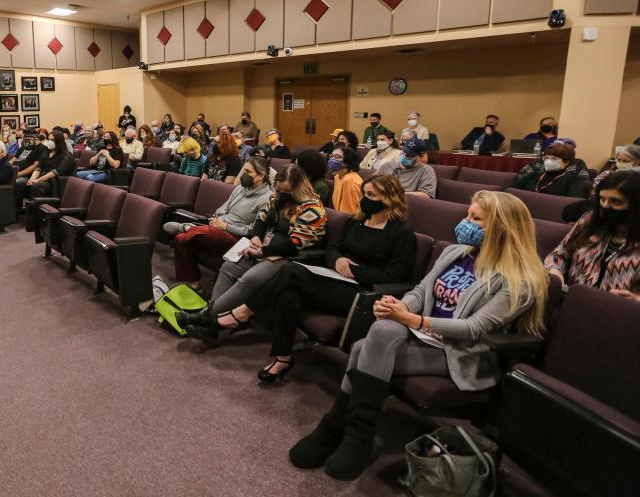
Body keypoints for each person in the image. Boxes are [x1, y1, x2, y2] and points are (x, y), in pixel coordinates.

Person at [288, 190, 548, 479]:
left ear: (501, 227)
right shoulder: (454, 253)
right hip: (420, 334)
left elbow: (474, 328)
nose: (466, 222)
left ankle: (338, 430)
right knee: (379, 333)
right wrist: (399, 306)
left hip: (459, 352)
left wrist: (412, 319)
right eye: (467, 214)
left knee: (364, 349)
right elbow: (422, 291)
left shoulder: (519, 279)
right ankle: (353, 436)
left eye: (476, 218)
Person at [180, 175, 415, 383]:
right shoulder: (357, 221)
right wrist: (338, 262)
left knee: (290, 271)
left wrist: (355, 271)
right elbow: (334, 249)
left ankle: (238, 315)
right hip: (335, 278)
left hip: (364, 294)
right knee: (288, 292)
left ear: (389, 198)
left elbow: (395, 276)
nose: (365, 198)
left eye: (371, 195)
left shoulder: (402, 234)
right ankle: (282, 358)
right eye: (364, 193)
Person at [188, 164, 326, 326]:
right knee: (229, 267)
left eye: (286, 192)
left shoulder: (313, 209)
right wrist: (255, 238)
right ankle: (212, 317)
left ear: (298, 189)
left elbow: (295, 244)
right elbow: (261, 219)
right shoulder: (275, 197)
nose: (281, 195)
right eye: (279, 190)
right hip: (266, 247)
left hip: (290, 257)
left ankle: (208, 318)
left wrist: (262, 251)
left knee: (250, 278)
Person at [163, 157, 273, 290]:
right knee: (180, 239)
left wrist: (226, 226)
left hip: (238, 238)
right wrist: (218, 218)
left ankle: (187, 227)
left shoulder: (267, 198)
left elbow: (253, 230)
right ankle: (194, 281)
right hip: (219, 227)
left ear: (261, 175)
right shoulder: (240, 189)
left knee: (211, 231)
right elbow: (223, 208)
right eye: (244, 171)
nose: (244, 175)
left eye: (248, 172)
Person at [546, 171, 640, 301]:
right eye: (602, 199)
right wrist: (555, 273)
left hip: (619, 314)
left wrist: (636, 300)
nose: (605, 206)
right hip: (571, 302)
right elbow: (558, 255)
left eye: (616, 201)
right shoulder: (588, 221)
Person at [513, 144, 586, 198]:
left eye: (554, 158)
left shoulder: (574, 181)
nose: (548, 161)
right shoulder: (533, 175)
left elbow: (571, 203)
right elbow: (510, 191)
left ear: (566, 162)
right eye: (546, 158)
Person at [22, 131, 75, 198]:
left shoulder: (67, 156)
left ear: (59, 142)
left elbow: (55, 172)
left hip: (54, 183)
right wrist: (31, 180)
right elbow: (38, 168)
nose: (49, 142)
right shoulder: (46, 152)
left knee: (36, 186)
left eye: (52, 140)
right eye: (48, 139)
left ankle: (35, 208)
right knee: (20, 185)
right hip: (41, 179)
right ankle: (19, 208)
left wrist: (38, 180)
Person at [330, 147, 363, 214]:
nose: (332, 160)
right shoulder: (338, 176)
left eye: (337, 157)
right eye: (331, 156)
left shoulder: (350, 181)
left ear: (348, 162)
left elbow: (350, 214)